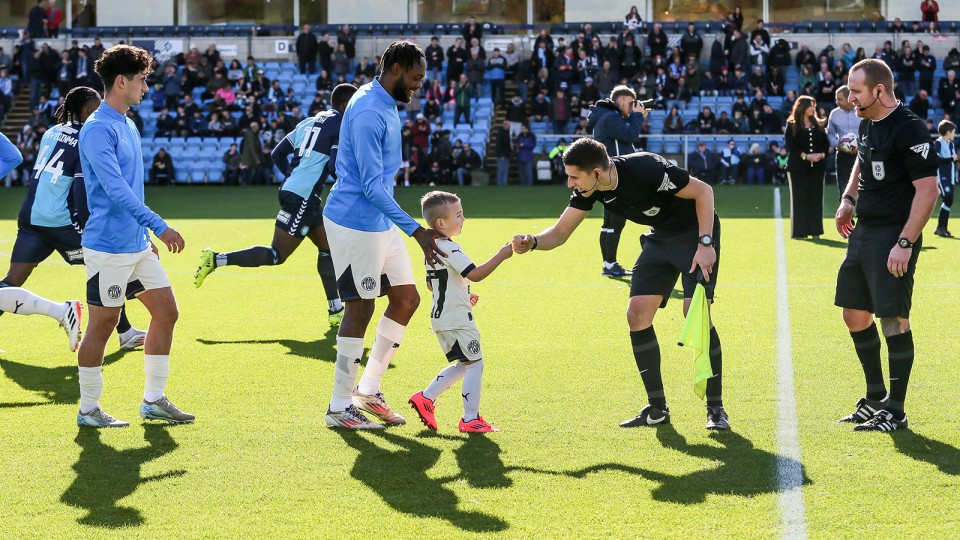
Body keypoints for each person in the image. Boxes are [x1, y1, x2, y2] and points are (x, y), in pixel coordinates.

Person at [511, 137, 727, 430]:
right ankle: (657, 408)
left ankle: (716, 409)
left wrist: (706, 243)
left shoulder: (645, 167)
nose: (570, 183)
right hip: (661, 237)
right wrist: (533, 241)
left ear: (597, 173)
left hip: (695, 233)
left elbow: (703, 191)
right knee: (636, 314)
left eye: (574, 176)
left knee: (696, 315)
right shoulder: (591, 189)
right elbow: (561, 232)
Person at [321, 41, 443, 430]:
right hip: (356, 220)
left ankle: (368, 390)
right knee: (360, 308)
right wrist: (418, 232)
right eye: (415, 77)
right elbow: (372, 188)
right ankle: (339, 408)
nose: (419, 85)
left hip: (378, 219)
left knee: (406, 298)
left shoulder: (383, 102)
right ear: (394, 69)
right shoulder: (371, 111)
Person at [76, 45, 192, 428]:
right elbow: (115, 189)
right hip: (108, 248)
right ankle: (89, 410)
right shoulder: (96, 128)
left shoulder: (128, 123)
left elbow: (132, 191)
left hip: (136, 244)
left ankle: (154, 401)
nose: (147, 86)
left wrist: (145, 234)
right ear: (121, 81)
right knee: (103, 325)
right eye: (142, 79)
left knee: (167, 312)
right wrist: (158, 223)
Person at [194, 85, 357, 327]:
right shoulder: (341, 124)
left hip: (299, 193)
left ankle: (335, 309)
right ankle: (216, 259)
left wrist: (291, 176)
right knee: (276, 255)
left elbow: (277, 154)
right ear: (346, 105)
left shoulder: (309, 121)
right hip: (302, 197)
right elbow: (334, 166)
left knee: (328, 248)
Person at [834, 58, 939, 433]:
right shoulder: (865, 122)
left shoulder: (910, 128)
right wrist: (848, 199)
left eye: (857, 90)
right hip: (864, 231)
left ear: (879, 90)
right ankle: (876, 396)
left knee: (892, 320)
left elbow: (929, 191)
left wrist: (906, 242)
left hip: (894, 235)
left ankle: (896, 410)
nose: (850, 96)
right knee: (853, 313)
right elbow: (862, 163)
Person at [4, 86, 147, 352]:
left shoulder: (51, 131)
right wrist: (87, 224)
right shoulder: (87, 136)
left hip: (32, 217)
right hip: (62, 221)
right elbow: (79, 190)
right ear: (88, 109)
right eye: (97, 106)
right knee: (105, 263)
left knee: (11, 281)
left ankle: (126, 329)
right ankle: (125, 331)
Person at [408, 191, 513, 433]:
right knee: (475, 364)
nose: (463, 219)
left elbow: (431, 284)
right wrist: (502, 255)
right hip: (456, 318)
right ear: (441, 223)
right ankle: (470, 419)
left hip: (442, 317)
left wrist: (463, 294)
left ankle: (426, 398)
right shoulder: (448, 248)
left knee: (464, 364)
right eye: (459, 215)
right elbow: (474, 273)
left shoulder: (431, 248)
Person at [0, 128, 84, 349]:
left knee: (103, 264)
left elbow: (13, 157)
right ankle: (61, 311)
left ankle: (61, 311)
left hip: (45, 218)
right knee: (104, 264)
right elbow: (12, 157)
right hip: (44, 218)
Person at [587, 85, 648, 278]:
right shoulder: (611, 118)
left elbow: (624, 133)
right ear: (620, 101)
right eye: (631, 103)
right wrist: (638, 116)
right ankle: (610, 264)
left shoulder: (608, 116)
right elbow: (630, 135)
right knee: (615, 223)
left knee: (609, 223)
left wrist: (636, 115)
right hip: (616, 178)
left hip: (610, 176)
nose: (633, 107)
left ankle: (609, 264)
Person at [784, 95, 829, 239]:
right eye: (811, 106)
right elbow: (791, 145)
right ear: (803, 107)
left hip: (817, 168)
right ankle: (799, 232)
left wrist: (821, 155)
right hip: (797, 168)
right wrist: (805, 156)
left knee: (816, 199)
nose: (813, 109)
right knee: (799, 199)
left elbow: (825, 144)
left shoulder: (818, 125)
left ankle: (815, 231)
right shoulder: (792, 125)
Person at [828, 86, 862, 196]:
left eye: (839, 99)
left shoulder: (862, 111)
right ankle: (846, 212)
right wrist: (837, 144)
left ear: (849, 98)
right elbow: (830, 134)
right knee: (843, 189)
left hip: (861, 155)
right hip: (842, 156)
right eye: (836, 99)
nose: (837, 102)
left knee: (864, 188)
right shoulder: (834, 114)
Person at [933, 119, 957, 237]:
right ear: (948, 132)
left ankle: (942, 228)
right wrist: (952, 159)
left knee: (949, 199)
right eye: (953, 132)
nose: (954, 134)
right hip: (942, 177)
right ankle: (941, 227)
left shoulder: (951, 144)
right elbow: (936, 160)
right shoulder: (938, 143)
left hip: (950, 177)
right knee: (947, 198)